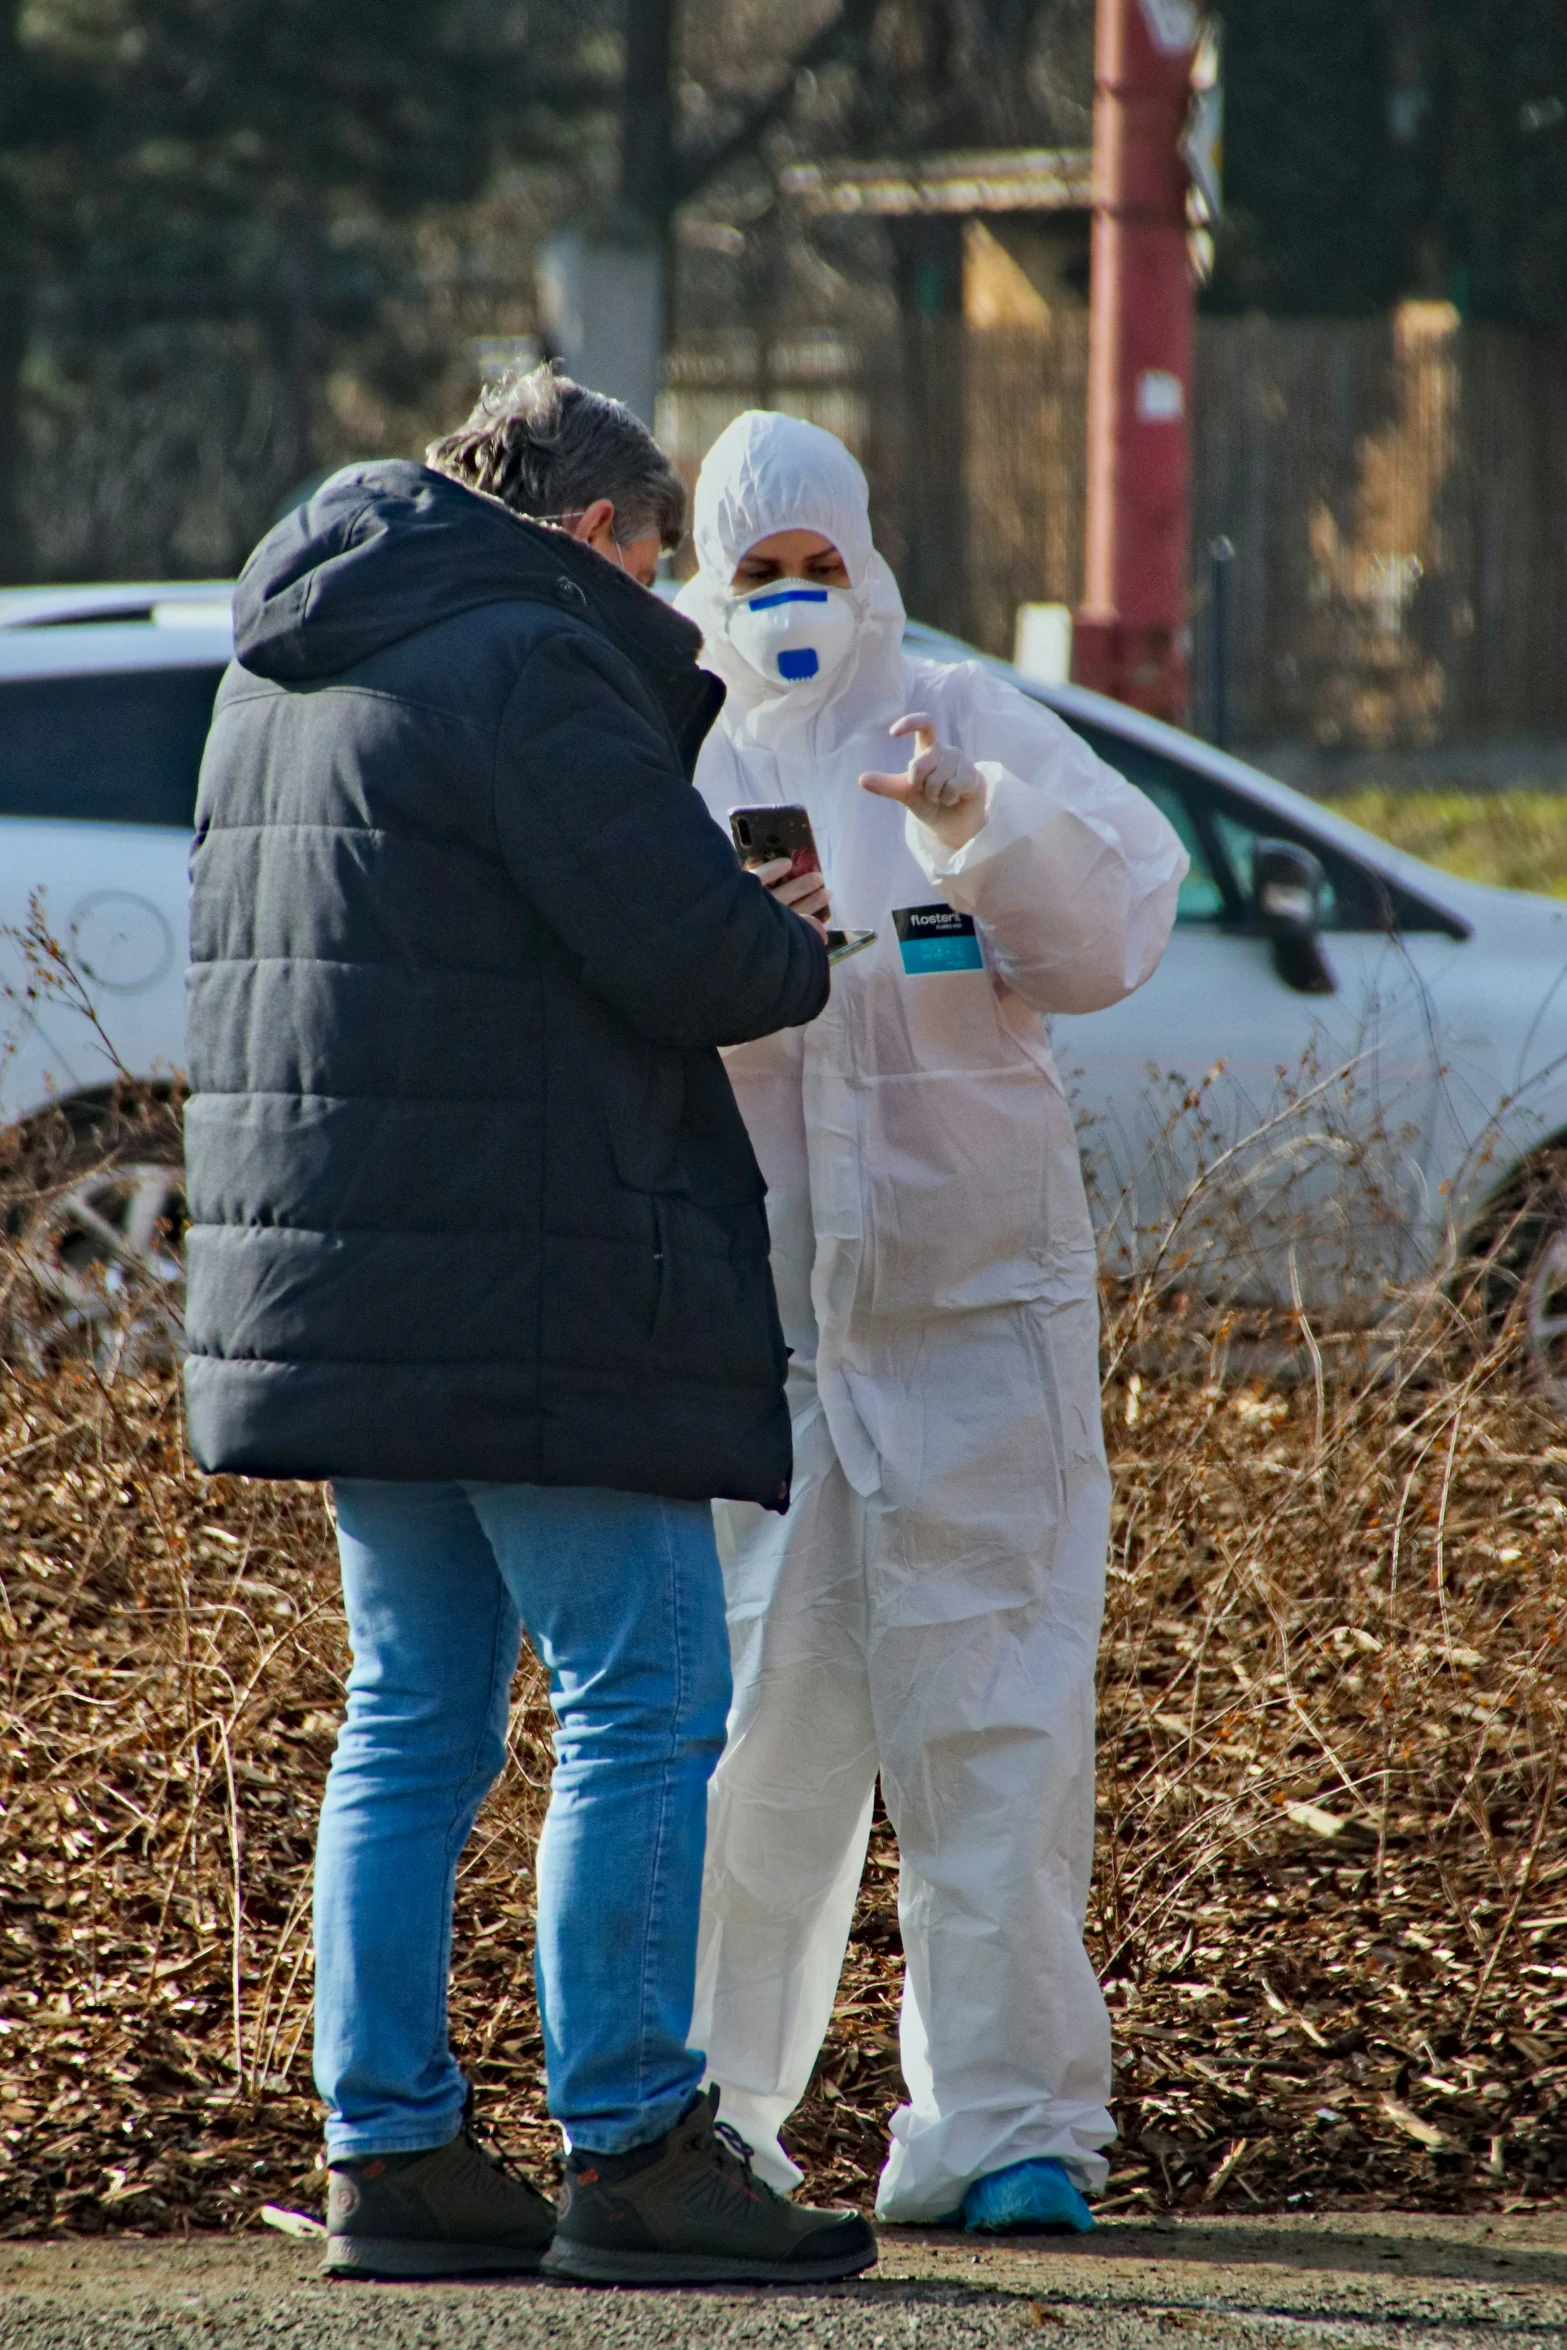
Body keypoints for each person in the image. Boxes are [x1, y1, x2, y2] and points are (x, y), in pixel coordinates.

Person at [182, 368, 877, 2288]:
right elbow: (681, 947)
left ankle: (389, 2149)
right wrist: (784, 930)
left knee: (411, 1715)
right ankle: (638, 2139)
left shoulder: (289, 658)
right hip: (536, 1275)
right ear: (591, 534)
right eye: (654, 564)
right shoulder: (536, 651)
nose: (660, 601)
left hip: (349, 1275)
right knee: (643, 1691)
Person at [675, 410, 1187, 2233]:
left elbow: (1115, 930)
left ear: (865, 560)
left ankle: (1009, 2130)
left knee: (995, 1733)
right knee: (759, 1752)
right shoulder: (676, 744)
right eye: (760, 575)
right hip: (765, 1339)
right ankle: (710, 2125)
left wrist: (978, 839)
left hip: (983, 1320)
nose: (794, 602)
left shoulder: (961, 718)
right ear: (712, 586)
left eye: (818, 568)